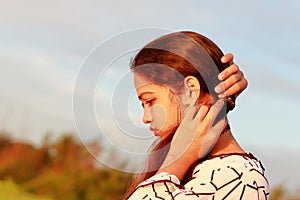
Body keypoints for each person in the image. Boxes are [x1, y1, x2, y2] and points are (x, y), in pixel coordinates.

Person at [125, 31, 269, 199]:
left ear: (191, 90)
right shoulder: (202, 169)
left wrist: (178, 159)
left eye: (150, 101)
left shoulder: (241, 180)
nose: (146, 118)